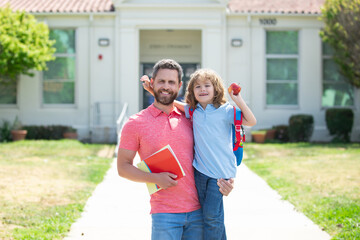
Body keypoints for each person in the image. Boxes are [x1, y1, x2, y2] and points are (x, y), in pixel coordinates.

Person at [117, 59, 233, 240]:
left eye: (171, 82)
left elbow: (216, 149)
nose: (166, 86)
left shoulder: (194, 117)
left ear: (179, 86)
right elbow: (123, 167)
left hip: (199, 212)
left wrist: (225, 181)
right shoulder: (135, 123)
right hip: (164, 214)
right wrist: (154, 178)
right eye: (161, 81)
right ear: (152, 83)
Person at [141, 68, 256, 240]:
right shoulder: (193, 111)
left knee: (211, 217)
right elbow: (172, 103)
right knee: (209, 216)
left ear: (216, 89)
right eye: (198, 87)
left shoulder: (226, 111)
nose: (202, 89)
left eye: (207, 86)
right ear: (192, 91)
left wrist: (237, 100)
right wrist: (152, 90)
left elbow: (251, 121)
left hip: (220, 174)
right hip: (200, 171)